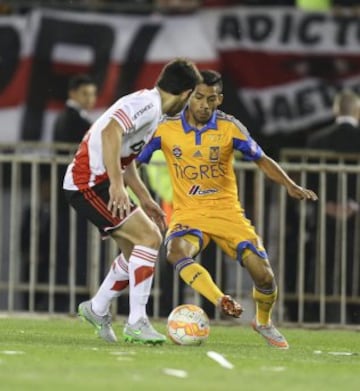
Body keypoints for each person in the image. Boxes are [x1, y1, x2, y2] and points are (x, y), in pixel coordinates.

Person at [137, 70, 318, 349]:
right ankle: (219, 299)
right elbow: (132, 161)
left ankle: (263, 321)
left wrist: (290, 185)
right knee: (174, 252)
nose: (204, 105)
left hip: (227, 213)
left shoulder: (230, 127)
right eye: (198, 97)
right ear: (188, 96)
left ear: (219, 99)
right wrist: (123, 186)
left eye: (211, 99)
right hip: (189, 214)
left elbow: (262, 158)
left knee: (265, 276)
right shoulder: (164, 128)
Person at [62, 58, 202, 344]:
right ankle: (137, 322)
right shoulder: (148, 105)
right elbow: (110, 131)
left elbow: (126, 158)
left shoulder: (153, 110)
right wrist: (115, 184)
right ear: (186, 94)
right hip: (89, 183)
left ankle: (97, 308)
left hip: (96, 182)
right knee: (150, 238)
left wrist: (144, 196)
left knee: (134, 253)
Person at [307, 89, 360, 323]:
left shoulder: (318, 139)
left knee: (323, 265)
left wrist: (326, 203)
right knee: (355, 265)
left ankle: (318, 314)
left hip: (324, 214)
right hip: (356, 216)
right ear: (357, 111)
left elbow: (310, 179)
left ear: (335, 110)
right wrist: (353, 204)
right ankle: (354, 316)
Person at [54, 74, 97, 144]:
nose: (90, 99)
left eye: (92, 94)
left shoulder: (65, 114)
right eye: (85, 94)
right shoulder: (73, 118)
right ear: (72, 93)